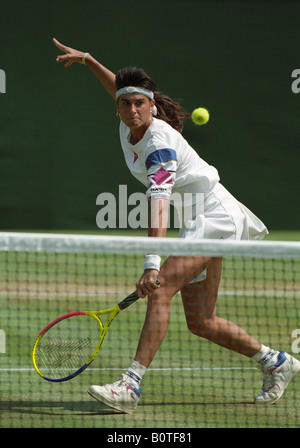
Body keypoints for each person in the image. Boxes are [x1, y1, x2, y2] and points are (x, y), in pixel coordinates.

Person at [53, 38, 300, 414]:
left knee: (161, 288)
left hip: (217, 217)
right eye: (125, 103)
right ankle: (278, 362)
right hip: (199, 221)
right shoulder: (127, 121)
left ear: (152, 105)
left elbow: (158, 205)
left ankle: (130, 385)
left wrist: (152, 262)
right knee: (202, 321)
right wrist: (88, 60)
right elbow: (116, 86)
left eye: (140, 103)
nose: (132, 109)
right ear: (119, 106)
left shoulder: (159, 146)